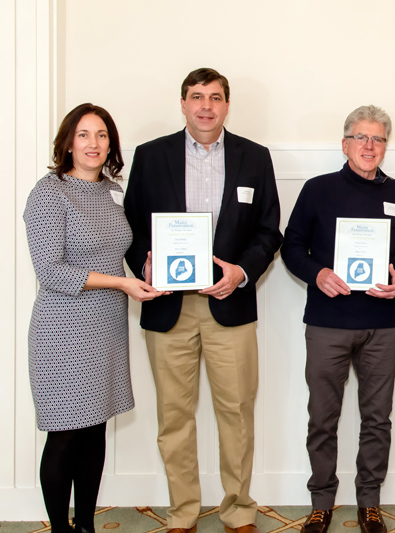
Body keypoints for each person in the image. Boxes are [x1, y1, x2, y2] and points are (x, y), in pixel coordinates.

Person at [123, 68, 283, 533]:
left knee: (236, 413)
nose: (206, 106)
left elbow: (268, 229)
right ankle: (182, 513)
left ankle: (237, 511)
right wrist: (145, 265)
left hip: (229, 304)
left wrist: (242, 272)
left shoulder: (255, 157)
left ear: (227, 105)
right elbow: (131, 227)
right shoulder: (151, 156)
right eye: (197, 96)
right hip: (168, 305)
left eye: (215, 97)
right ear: (183, 103)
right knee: (173, 416)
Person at [23, 103, 165, 533]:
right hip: (61, 330)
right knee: (64, 435)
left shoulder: (110, 191)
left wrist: (147, 265)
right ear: (67, 142)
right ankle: (60, 529)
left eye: (101, 135)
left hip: (105, 327)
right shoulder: (49, 192)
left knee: (94, 431)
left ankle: (84, 525)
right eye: (83, 135)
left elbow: (120, 247)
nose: (93, 143)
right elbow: (50, 270)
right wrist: (121, 284)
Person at [282, 105, 395, 533]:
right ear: (345, 144)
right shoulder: (317, 190)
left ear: (385, 147)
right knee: (323, 417)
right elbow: (291, 248)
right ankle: (322, 501)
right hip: (327, 322)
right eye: (361, 137)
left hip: (383, 324)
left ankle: (369, 502)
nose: (369, 146)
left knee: (377, 418)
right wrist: (317, 273)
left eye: (377, 139)